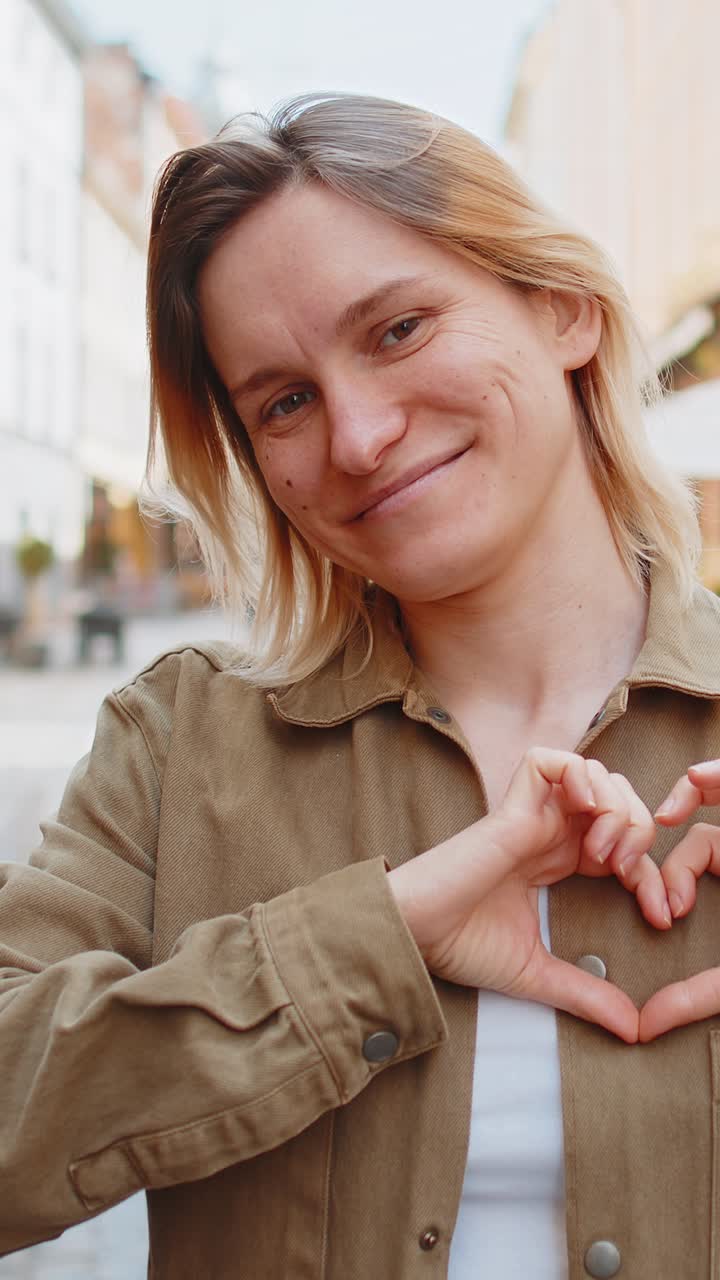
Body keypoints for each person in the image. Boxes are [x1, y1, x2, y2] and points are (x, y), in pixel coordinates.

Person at [2, 92, 720, 1280]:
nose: (359, 434)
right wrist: (365, 944)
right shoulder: (179, 745)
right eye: (283, 399)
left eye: (396, 329)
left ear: (563, 307)